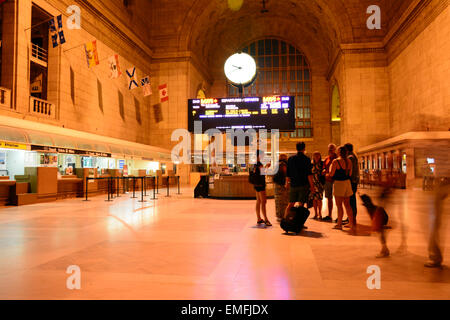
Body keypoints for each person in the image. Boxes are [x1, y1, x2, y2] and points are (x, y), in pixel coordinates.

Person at [284, 142, 314, 219]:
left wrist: (287, 183)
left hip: (293, 184)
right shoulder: (307, 159)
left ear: (296, 148)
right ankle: (298, 223)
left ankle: (285, 220)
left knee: (290, 204)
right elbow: (309, 174)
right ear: (304, 148)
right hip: (303, 185)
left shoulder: (291, 159)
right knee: (301, 204)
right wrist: (312, 186)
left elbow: (288, 173)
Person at [329, 146, 355, 234]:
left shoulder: (336, 161)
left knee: (339, 205)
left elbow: (331, 174)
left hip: (339, 183)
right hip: (347, 183)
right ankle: (351, 223)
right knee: (348, 205)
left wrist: (328, 171)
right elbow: (350, 173)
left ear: (339, 152)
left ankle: (339, 224)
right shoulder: (349, 161)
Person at [251, 150, 271, 227]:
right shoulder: (259, 164)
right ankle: (266, 219)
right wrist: (267, 167)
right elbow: (264, 173)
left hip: (256, 185)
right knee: (264, 201)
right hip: (261, 185)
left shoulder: (254, 164)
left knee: (258, 201)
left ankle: (259, 218)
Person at [322, 144, 338, 222]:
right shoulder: (326, 158)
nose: (330, 150)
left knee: (338, 199)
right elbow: (324, 167)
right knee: (329, 198)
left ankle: (339, 216)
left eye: (332, 148)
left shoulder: (337, 158)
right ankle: (329, 215)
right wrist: (324, 171)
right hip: (328, 181)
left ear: (335, 149)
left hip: (336, 181)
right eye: (329, 148)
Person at [345, 143, 360, 224]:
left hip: (352, 181)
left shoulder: (350, 157)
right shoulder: (353, 156)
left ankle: (351, 218)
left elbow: (348, 170)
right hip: (354, 180)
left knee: (351, 200)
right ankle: (351, 217)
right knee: (351, 200)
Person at [273, 154, 289, 221]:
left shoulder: (276, 164)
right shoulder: (284, 164)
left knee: (278, 201)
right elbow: (286, 174)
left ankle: (279, 215)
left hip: (277, 184)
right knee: (285, 200)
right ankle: (284, 215)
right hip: (283, 184)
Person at [311, 151, 325, 220]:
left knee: (319, 199)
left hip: (319, 183)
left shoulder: (322, 163)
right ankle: (315, 213)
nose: (316, 156)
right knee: (314, 199)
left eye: (318, 155)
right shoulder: (311, 164)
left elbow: (325, 171)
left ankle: (320, 213)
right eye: (315, 155)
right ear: (313, 156)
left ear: (320, 156)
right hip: (313, 183)